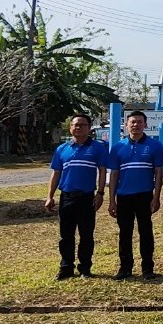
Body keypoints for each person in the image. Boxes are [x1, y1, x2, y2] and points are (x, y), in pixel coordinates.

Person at [45, 113, 109, 280]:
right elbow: (56, 173)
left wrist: (100, 193)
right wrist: (50, 196)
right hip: (67, 198)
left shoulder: (97, 148)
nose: (79, 128)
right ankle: (66, 267)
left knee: (86, 235)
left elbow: (102, 171)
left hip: (87, 198)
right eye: (75, 125)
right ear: (70, 127)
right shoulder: (62, 149)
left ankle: (85, 268)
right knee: (66, 235)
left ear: (89, 128)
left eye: (82, 125)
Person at [106, 111, 163, 280]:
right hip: (124, 197)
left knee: (146, 232)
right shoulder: (118, 147)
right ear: (126, 125)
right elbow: (114, 174)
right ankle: (125, 268)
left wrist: (156, 197)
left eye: (140, 122)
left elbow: (158, 172)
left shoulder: (155, 146)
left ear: (145, 125)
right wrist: (112, 201)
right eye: (132, 122)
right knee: (125, 233)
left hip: (145, 196)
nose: (136, 125)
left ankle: (148, 269)